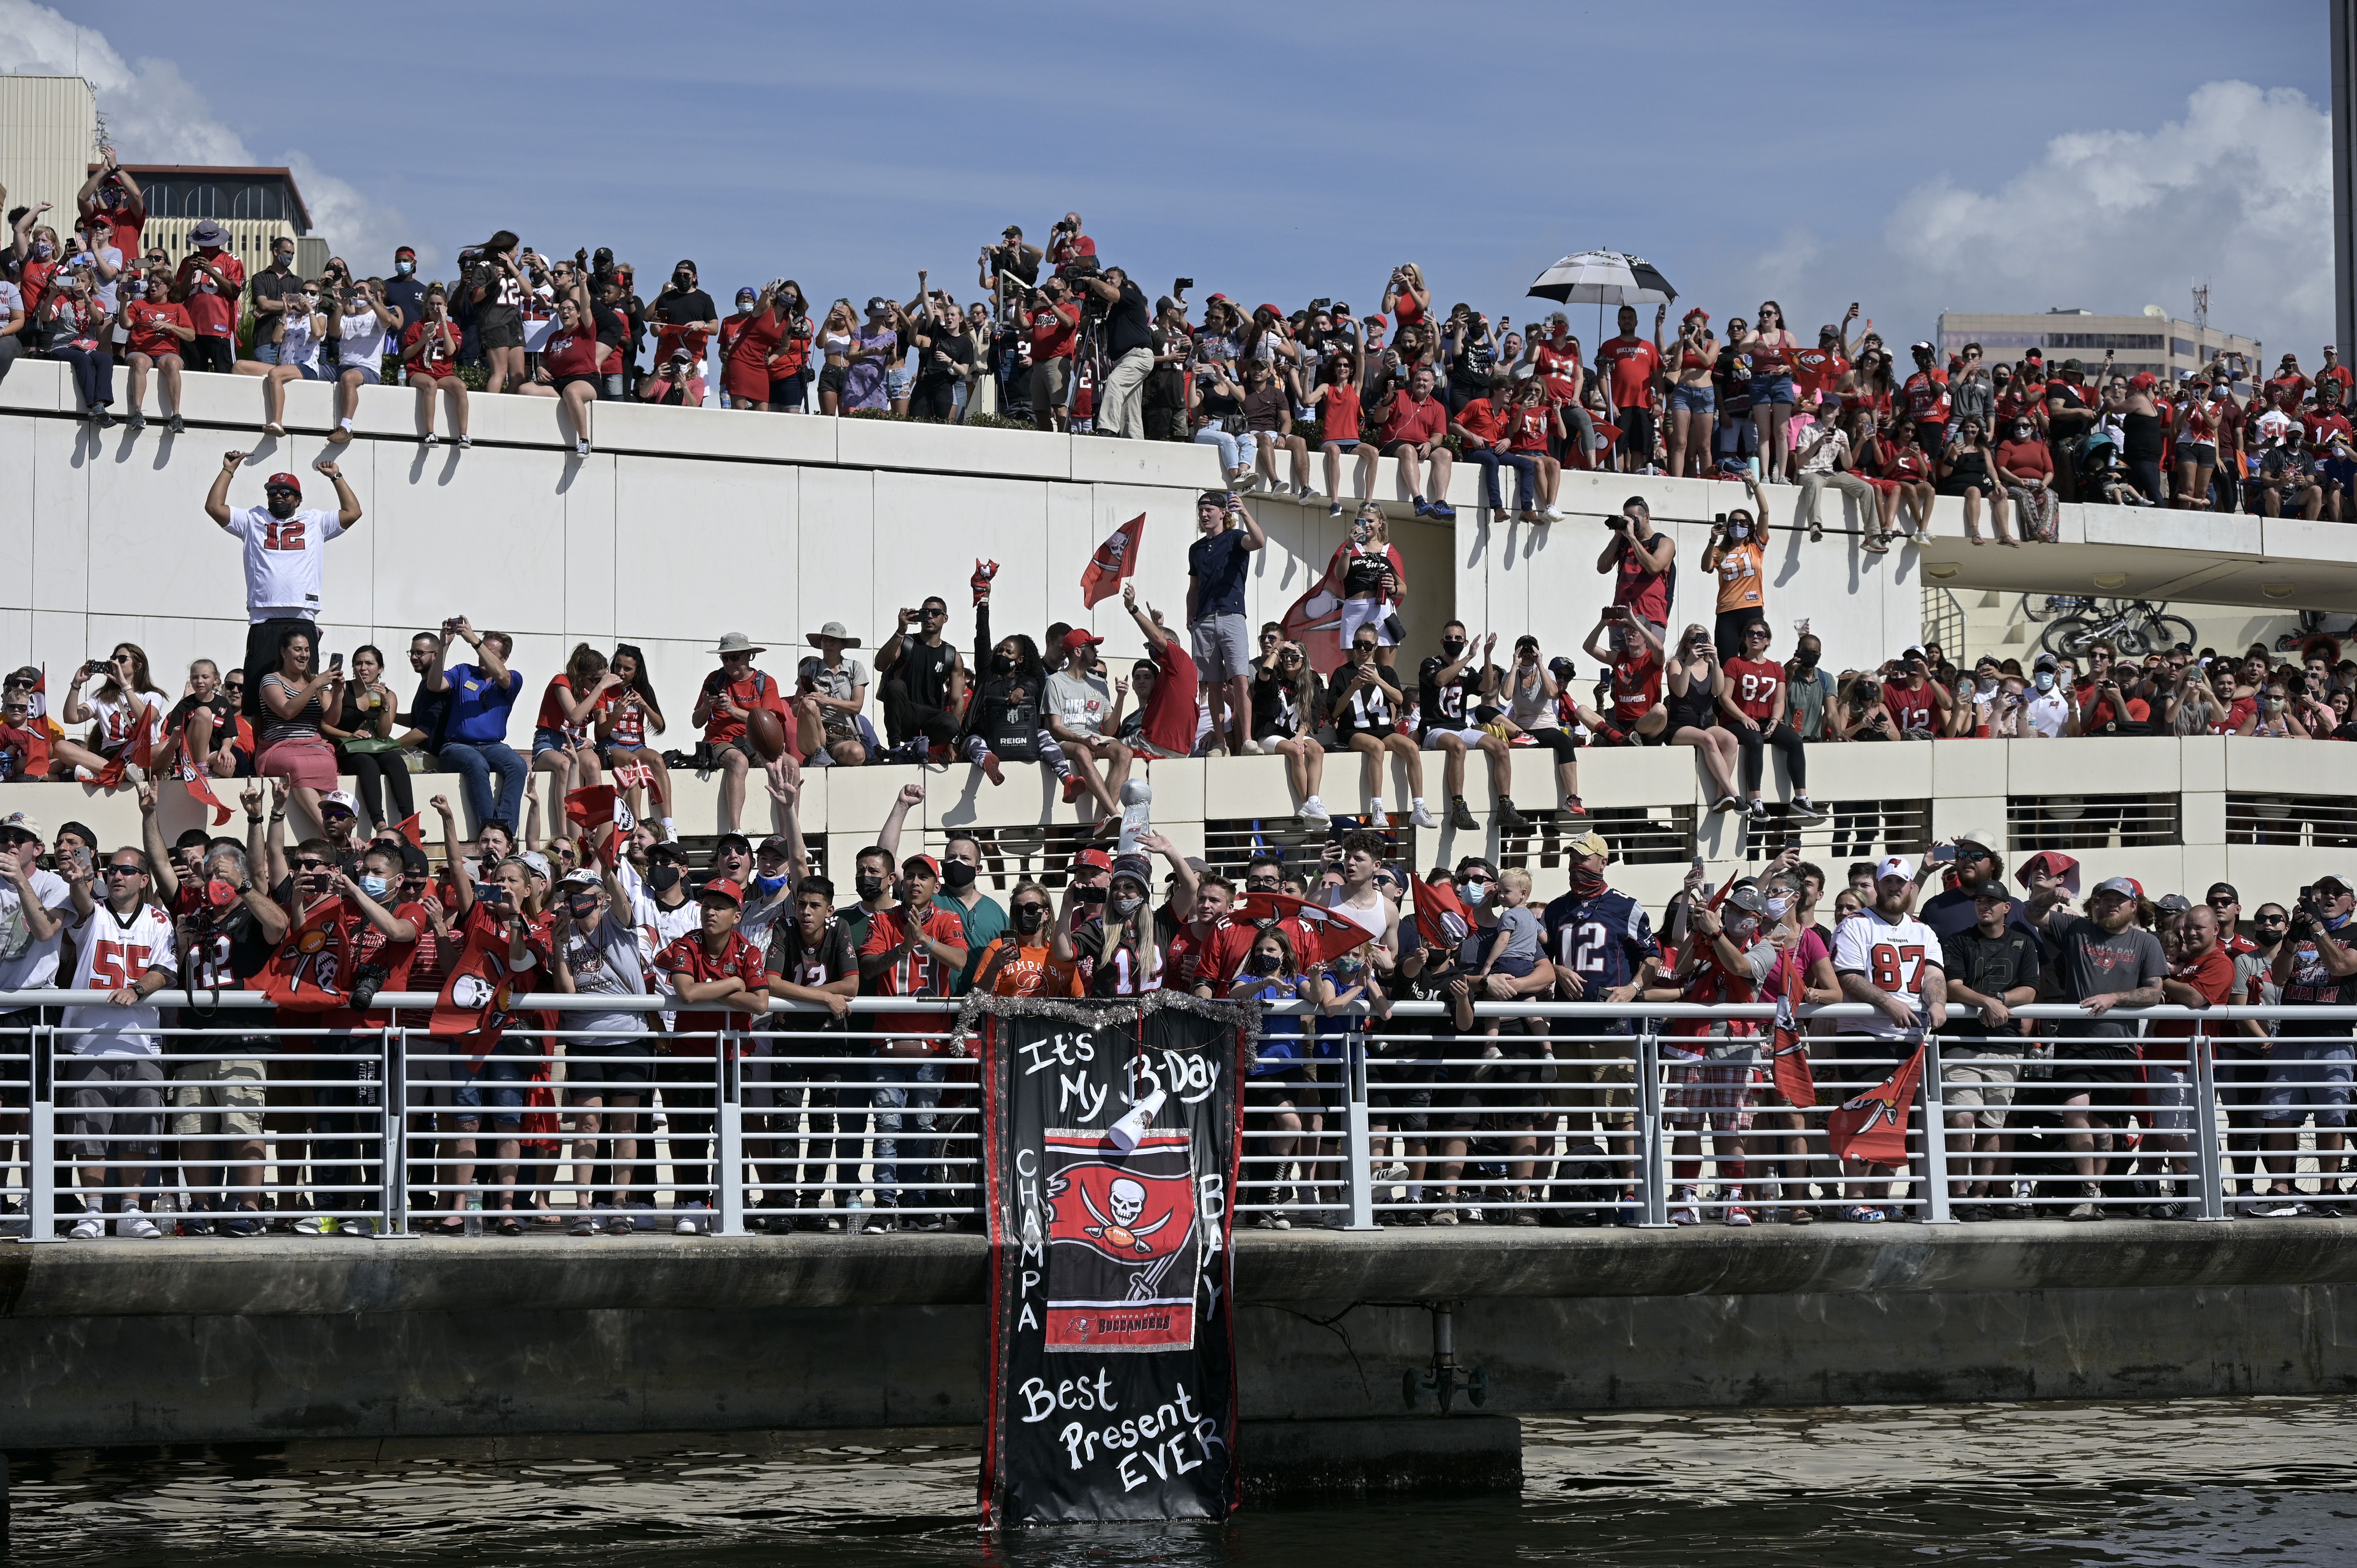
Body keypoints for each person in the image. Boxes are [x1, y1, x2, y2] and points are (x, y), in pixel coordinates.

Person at [2024, 874, 2168, 1220]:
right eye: (2105, 898)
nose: (2111, 904)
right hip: (2075, 1042)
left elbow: (2154, 992)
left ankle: (2096, 1193)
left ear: (2134, 906)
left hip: (2119, 1045)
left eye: (2119, 900)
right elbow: (2031, 914)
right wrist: (2048, 894)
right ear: (2096, 903)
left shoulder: (2146, 944)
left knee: (2104, 1125)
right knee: (2074, 1110)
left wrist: (2115, 998)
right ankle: (2088, 1190)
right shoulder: (2076, 929)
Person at [56, 844, 178, 1238]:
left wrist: (138, 989)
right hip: (90, 1041)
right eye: (111, 869)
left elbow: (165, 968)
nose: (116, 875)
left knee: (139, 1128)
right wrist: (78, 880)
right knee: (88, 1129)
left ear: (144, 879)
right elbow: (82, 902)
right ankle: (92, 1210)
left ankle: (130, 1208)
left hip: (142, 1042)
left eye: (126, 870)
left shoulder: (159, 919)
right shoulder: (94, 912)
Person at [651, 877, 770, 1235]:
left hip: (734, 1059)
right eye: (707, 906)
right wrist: (734, 985)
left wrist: (713, 991)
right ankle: (692, 1203)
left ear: (737, 915)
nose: (711, 912)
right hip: (690, 1056)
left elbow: (761, 1003)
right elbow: (686, 993)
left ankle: (733, 1201)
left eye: (720, 907)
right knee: (690, 1134)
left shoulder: (748, 951)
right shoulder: (688, 943)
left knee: (732, 1133)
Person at [1830, 856, 1948, 1222]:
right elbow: (1848, 977)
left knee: (1898, 1125)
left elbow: (1932, 975)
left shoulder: (1923, 931)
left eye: (1902, 882)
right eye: (1888, 882)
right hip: (1865, 1036)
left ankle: (1881, 1196)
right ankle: (1855, 1200)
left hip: (1910, 1039)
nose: (1895, 888)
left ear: (1911, 887)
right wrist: (1887, 1003)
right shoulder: (1856, 926)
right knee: (1866, 1118)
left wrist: (1939, 1002)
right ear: (1877, 886)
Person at [206, 456, 364, 726]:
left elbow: (353, 512)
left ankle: (305, 742)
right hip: (263, 618)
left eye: (286, 493)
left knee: (307, 690)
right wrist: (228, 471)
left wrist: (336, 477)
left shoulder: (315, 521)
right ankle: (261, 757)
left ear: (298, 499)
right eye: (273, 492)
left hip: (302, 616)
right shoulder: (252, 519)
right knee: (257, 698)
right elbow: (214, 507)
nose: (279, 496)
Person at [858, 855, 969, 1228]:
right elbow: (868, 968)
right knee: (888, 1125)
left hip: (932, 1042)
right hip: (888, 1039)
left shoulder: (948, 919)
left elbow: (958, 960)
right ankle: (886, 1204)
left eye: (924, 877)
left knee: (922, 1125)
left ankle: (917, 1202)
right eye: (911, 877)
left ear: (937, 886)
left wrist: (924, 940)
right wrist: (903, 948)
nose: (916, 883)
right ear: (900, 883)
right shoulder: (883, 920)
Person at [551, 862, 651, 1234]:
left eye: (581, 894)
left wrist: (605, 861)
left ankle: (620, 1205)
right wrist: (560, 947)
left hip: (629, 1036)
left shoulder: (617, 922)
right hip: (585, 1039)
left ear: (599, 899)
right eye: (568, 894)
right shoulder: (565, 933)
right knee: (588, 1123)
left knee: (625, 1126)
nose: (573, 900)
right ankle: (582, 1207)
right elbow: (567, 994)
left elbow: (623, 901)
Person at [1936, 881, 2041, 1221]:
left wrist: (2000, 1002)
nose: (1985, 906)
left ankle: (1982, 1195)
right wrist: (1987, 1003)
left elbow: (2029, 991)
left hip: (2005, 1045)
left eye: (1993, 902)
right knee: (1962, 1119)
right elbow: (1952, 987)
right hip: (1961, 1044)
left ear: (2007, 907)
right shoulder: (1958, 941)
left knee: (1993, 1126)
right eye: (1981, 900)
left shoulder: (2023, 943)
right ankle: (1960, 1194)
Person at [2256, 873, 2357, 1215]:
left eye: (2337, 892)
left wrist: (2317, 930)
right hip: (2291, 1037)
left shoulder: (2355, 934)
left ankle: (2327, 1193)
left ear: (2352, 903)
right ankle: (2280, 1190)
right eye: (2322, 891)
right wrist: (2291, 941)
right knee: (2280, 1115)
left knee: (2332, 1117)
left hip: (2333, 1039)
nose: (2327, 897)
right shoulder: (2301, 934)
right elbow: (2280, 977)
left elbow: (2341, 965)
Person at [1416, 625, 1532, 833]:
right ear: (1443, 642)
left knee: (1501, 747)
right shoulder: (1430, 663)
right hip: (1434, 728)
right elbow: (1440, 679)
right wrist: (1469, 657)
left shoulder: (1467, 670)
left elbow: (1486, 686)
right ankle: (1458, 806)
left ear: (1465, 641)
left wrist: (1487, 655)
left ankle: (1505, 805)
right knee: (1459, 747)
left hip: (1459, 726)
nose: (1454, 641)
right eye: (1449, 638)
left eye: (1459, 638)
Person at [424, 617, 526, 838]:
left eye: (490, 653)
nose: (482, 656)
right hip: (457, 747)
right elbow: (434, 685)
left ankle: (505, 832)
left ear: (505, 658)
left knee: (518, 765)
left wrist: (474, 640)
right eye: (480, 651)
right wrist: (444, 646)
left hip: (493, 746)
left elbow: (502, 676)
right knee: (476, 763)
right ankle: (489, 830)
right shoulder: (463, 672)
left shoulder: (513, 678)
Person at [1187, 490, 1267, 756]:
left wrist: (1244, 512)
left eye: (1209, 509)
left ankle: (1246, 740)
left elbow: (1259, 541)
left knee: (1240, 679)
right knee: (1212, 684)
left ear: (1224, 513)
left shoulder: (1234, 538)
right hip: (1204, 619)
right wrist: (1191, 615)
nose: (1204, 514)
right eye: (1201, 509)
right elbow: (1194, 587)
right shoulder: (1196, 549)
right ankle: (1221, 743)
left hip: (1232, 615)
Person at [1327, 625, 1428, 828]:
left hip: (1384, 730)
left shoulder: (1386, 672)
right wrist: (1353, 688)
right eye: (1358, 644)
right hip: (1354, 731)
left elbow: (1400, 699)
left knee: (1411, 748)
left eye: (1367, 645)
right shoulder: (1342, 673)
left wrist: (1378, 681)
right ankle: (1378, 807)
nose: (1362, 649)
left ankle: (1419, 807)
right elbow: (1335, 712)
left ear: (1376, 647)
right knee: (1377, 747)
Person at [1719, 619, 1820, 821]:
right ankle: (1756, 800)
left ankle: (1801, 796)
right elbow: (1724, 698)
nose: (1755, 637)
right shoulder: (1735, 663)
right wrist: (1743, 717)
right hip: (1737, 721)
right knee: (1755, 741)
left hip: (1765, 720)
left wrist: (1775, 721)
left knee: (1794, 741)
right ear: (1745, 638)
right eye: (1750, 633)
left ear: (1768, 641)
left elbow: (1779, 701)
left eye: (1760, 634)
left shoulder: (1776, 669)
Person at [693, 631, 792, 834]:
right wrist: (705, 707)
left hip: (754, 741)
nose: (729, 663)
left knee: (791, 764)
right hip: (720, 741)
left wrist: (732, 710)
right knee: (739, 762)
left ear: (749, 656)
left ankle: (790, 831)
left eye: (735, 658)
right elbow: (696, 722)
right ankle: (736, 831)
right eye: (725, 658)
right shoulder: (715, 679)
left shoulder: (766, 682)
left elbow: (771, 722)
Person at [1249, 631, 1328, 823]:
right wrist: (1278, 649)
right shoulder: (1275, 676)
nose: (1289, 661)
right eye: (1286, 657)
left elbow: (1312, 716)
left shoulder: (1310, 682)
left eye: (1294, 657)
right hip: (1269, 735)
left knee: (1318, 750)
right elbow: (1263, 673)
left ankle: (1314, 800)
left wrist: (1301, 734)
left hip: (1294, 733)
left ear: (1304, 661)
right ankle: (1306, 805)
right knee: (1295, 751)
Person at [1663, 624, 1741, 814]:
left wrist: (1716, 660)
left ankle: (1721, 797)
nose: (1698, 643)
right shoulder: (1677, 663)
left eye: (1703, 638)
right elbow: (1680, 692)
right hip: (1680, 726)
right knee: (1708, 740)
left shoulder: (1712, 665)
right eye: (1693, 640)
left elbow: (1718, 692)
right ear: (1686, 644)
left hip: (1705, 723)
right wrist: (1689, 664)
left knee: (1731, 740)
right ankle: (1732, 793)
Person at [1372, 364, 1458, 518]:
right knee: (1408, 450)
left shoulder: (1438, 407)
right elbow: (1379, 419)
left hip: (1422, 445)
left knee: (1445, 454)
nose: (1421, 383)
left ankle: (1440, 504)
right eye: (1418, 380)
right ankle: (1418, 501)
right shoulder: (1399, 395)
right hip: (1394, 443)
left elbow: (1439, 436)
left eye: (1426, 380)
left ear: (1433, 385)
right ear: (1413, 381)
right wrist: (1389, 399)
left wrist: (1430, 444)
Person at [323, 275, 398, 447]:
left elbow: (388, 321)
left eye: (362, 291)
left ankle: (346, 427)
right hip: (343, 367)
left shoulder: (376, 316)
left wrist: (370, 299)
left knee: (349, 378)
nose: (358, 296)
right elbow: (334, 332)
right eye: (354, 292)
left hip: (368, 370)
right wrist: (341, 306)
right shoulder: (347, 318)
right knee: (311, 370)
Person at [1701, 477, 1769, 659]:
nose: (1738, 526)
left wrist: (1755, 484)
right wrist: (1713, 540)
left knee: (1752, 659)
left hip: (1752, 607)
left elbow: (1765, 511)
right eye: (1733, 523)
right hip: (1727, 611)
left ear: (1750, 528)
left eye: (1743, 523)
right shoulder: (1720, 550)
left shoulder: (1755, 546)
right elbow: (1705, 567)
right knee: (1727, 661)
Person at [1595, 304, 1664, 473]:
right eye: (1624, 318)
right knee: (1617, 448)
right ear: (1618, 322)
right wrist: (1610, 403)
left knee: (1639, 449)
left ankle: (1636, 481)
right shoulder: (1609, 346)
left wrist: (1659, 402)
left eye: (1630, 318)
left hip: (1644, 406)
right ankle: (1617, 480)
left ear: (1637, 322)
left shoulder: (1648, 347)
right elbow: (1602, 376)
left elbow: (1659, 378)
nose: (1627, 321)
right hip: (1619, 405)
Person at [1597, 496, 1675, 648]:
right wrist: (1618, 536)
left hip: (1651, 618)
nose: (1630, 523)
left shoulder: (1664, 542)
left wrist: (1632, 538)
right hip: (1621, 619)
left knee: (1648, 667)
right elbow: (1602, 568)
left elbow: (1654, 567)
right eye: (1627, 519)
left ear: (1647, 518)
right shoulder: (1623, 543)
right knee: (1621, 669)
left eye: (1634, 518)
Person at [401, 283, 470, 447]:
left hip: (443, 374)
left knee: (460, 387)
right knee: (430, 385)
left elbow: (451, 351)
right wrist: (423, 340)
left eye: (440, 304)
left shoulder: (453, 328)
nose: (435, 308)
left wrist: (445, 324)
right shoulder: (416, 327)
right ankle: (430, 433)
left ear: (446, 306)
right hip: (419, 372)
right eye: (432, 304)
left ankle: (463, 435)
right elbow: (406, 355)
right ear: (426, 305)